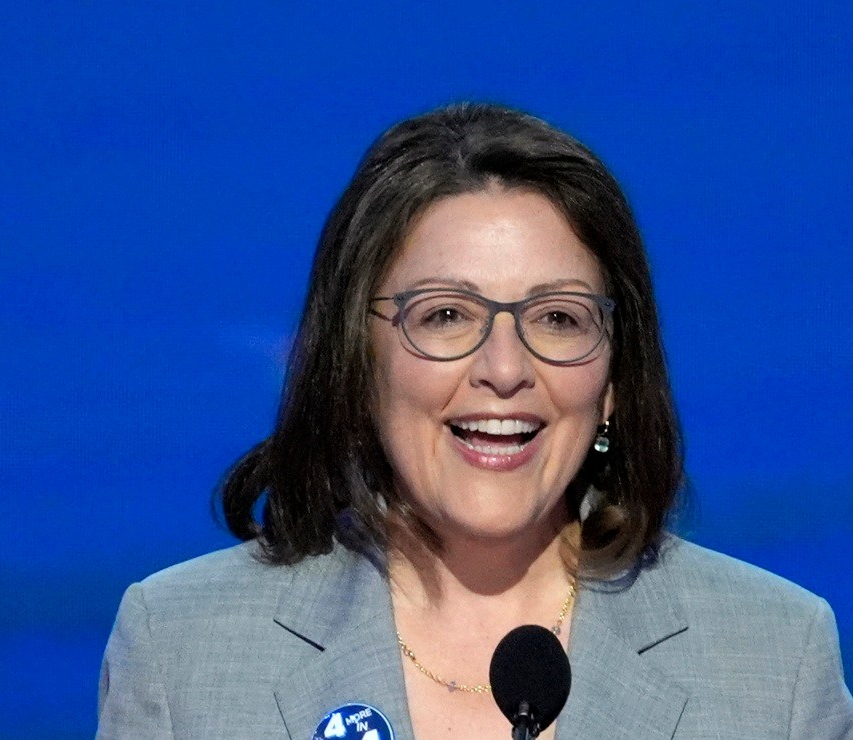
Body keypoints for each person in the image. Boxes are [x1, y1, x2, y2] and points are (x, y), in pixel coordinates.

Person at [96, 103, 853, 739]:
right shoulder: (182, 651)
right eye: (447, 315)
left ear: (614, 381)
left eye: (557, 318)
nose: (504, 368)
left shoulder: (774, 661)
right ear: (357, 362)